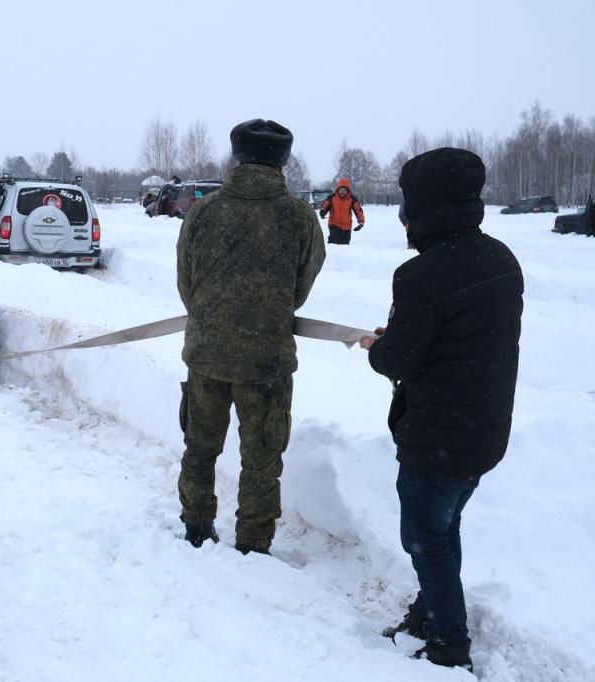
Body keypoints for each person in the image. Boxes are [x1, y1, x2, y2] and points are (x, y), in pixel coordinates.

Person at [358, 148, 523, 673]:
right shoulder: (501, 258)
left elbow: (398, 360)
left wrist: (377, 346)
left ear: (423, 207)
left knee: (425, 539)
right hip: (483, 431)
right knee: (444, 525)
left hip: (437, 437)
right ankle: (428, 611)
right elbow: (458, 337)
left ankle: (448, 642)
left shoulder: (420, 275)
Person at [176, 119, 325, 555]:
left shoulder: (204, 210)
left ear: (237, 156)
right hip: (267, 362)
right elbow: (302, 284)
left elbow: (187, 282)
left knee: (200, 448)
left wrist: (211, 316)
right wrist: (267, 311)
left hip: (205, 354)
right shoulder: (299, 216)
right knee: (262, 460)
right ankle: (253, 544)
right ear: (283, 160)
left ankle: (197, 528)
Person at [319, 178, 365, 244]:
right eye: (341, 190)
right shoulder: (332, 197)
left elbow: (358, 211)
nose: (342, 192)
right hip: (333, 224)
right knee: (333, 242)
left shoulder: (352, 199)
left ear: (347, 191)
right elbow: (325, 206)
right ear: (338, 189)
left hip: (347, 226)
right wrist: (322, 212)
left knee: (345, 245)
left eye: (344, 190)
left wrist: (361, 222)